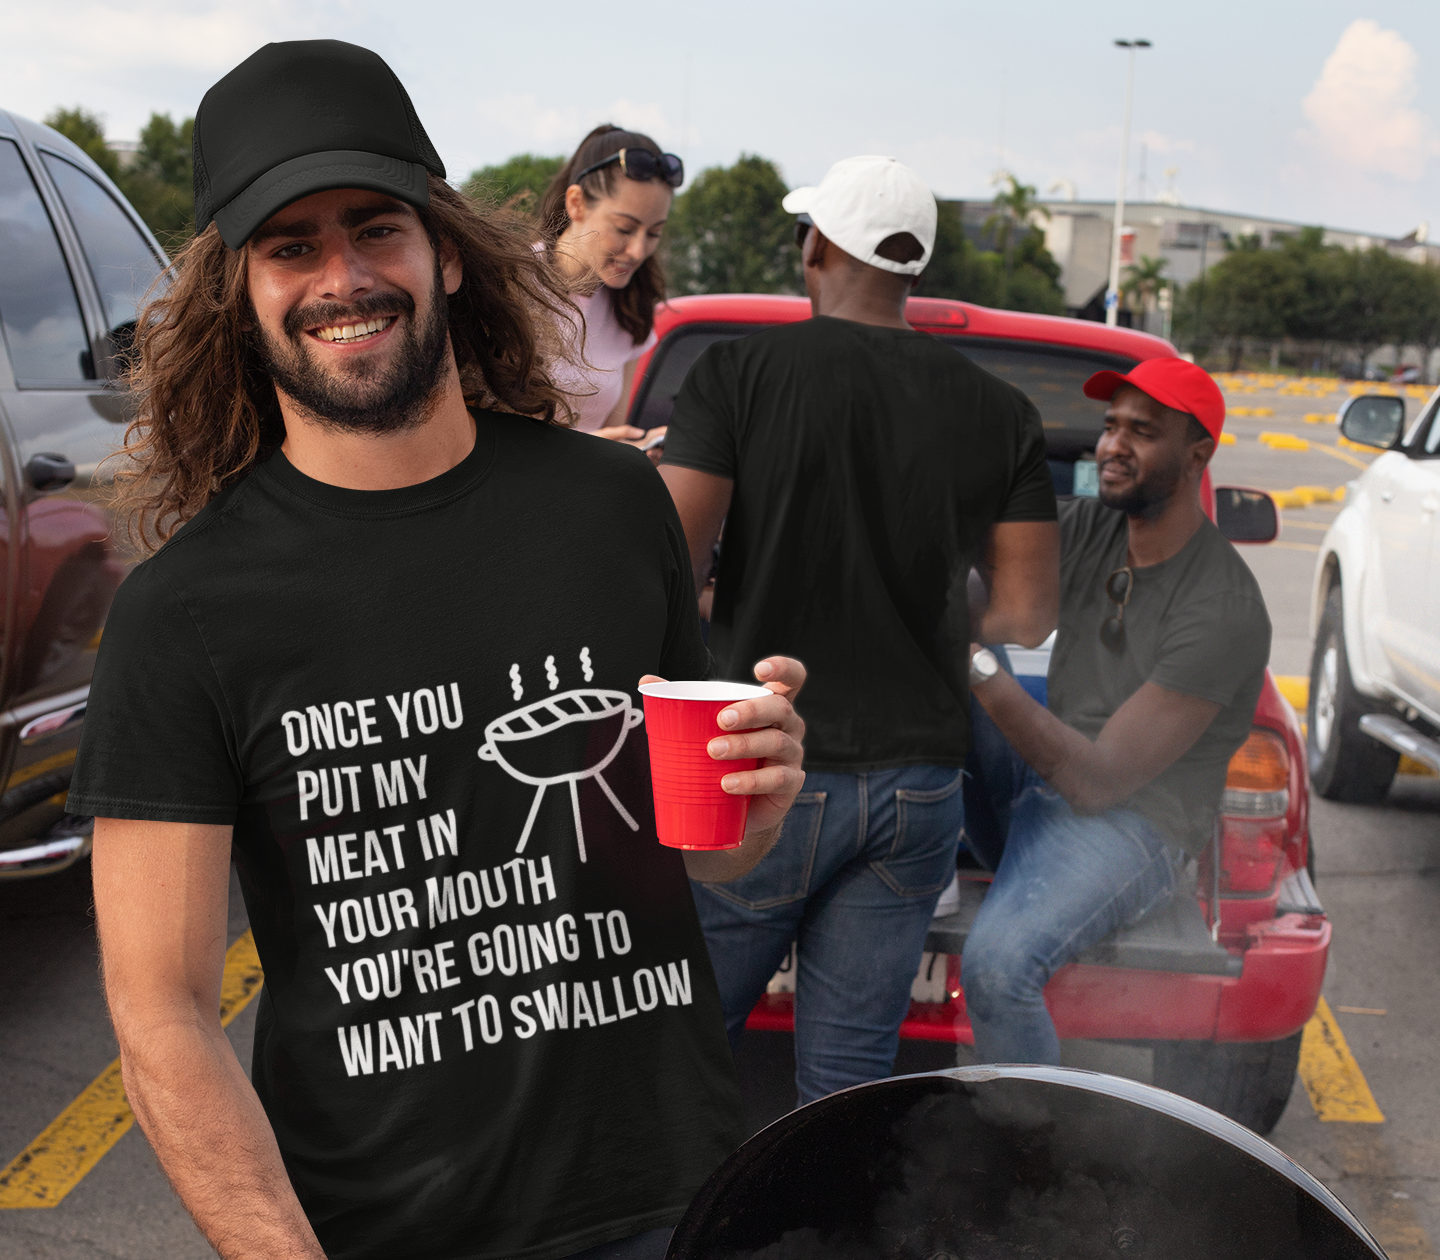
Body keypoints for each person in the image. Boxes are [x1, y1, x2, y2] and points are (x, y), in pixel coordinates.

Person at [66, 37, 805, 1260]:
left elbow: (697, 841)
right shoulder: (190, 616)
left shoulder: (610, 515)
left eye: (371, 227)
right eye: (290, 245)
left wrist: (759, 794)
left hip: (662, 1240)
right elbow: (160, 1012)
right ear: (239, 294)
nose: (341, 277)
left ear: (442, 248)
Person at [659, 155, 1058, 1104]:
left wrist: (727, 601)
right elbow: (1027, 612)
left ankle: (664, 1249)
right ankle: (822, 1251)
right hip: (921, 788)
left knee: (681, 1051)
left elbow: (666, 562)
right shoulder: (1000, 412)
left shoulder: (738, 374)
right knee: (846, 1085)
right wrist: (919, 607)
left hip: (768, 774)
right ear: (911, 269)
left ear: (819, 249)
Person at [959, 355, 1272, 1064]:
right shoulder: (1092, 528)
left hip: (1133, 824)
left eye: (1141, 431)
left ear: (1197, 455)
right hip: (1040, 789)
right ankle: (883, 847)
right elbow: (989, 576)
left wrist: (969, 660)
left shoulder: (1223, 607)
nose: (1111, 446)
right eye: (1108, 427)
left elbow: (1100, 782)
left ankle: (1026, 1160)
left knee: (999, 970)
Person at [538, 125, 681, 445]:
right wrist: (584, 450)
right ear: (576, 203)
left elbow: (610, 438)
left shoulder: (631, 311)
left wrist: (638, 448)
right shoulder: (507, 286)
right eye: (625, 228)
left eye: (654, 233)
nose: (639, 251)